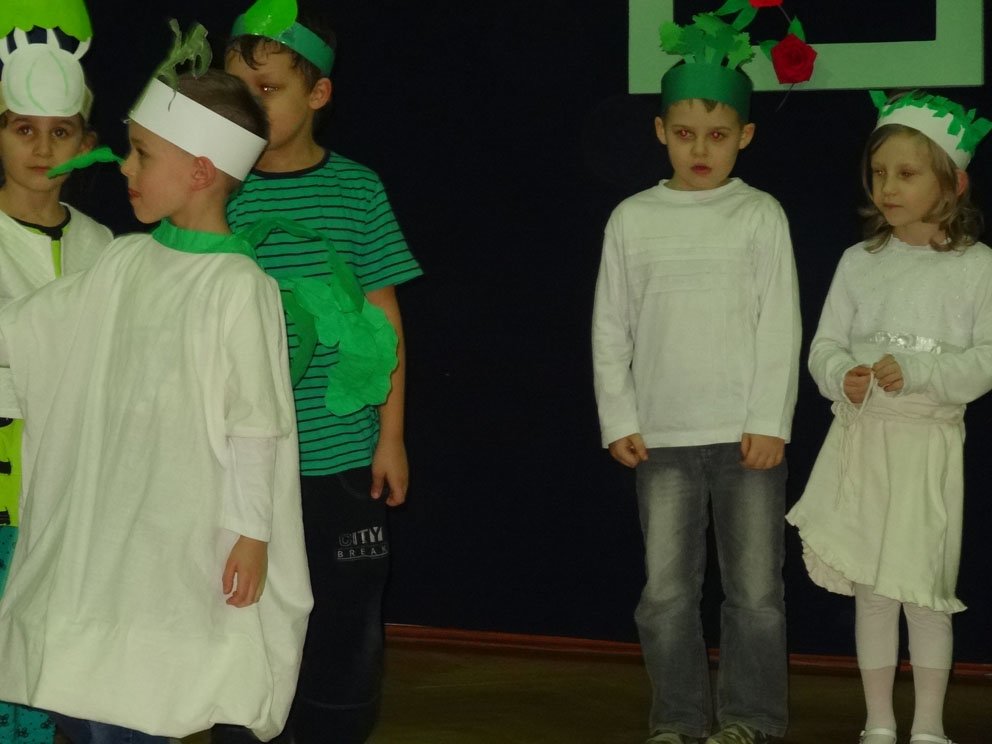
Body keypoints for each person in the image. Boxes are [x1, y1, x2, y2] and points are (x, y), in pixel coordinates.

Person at [0, 43, 314, 744]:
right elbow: (29, 331)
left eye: (142, 154)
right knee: (83, 688)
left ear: (200, 170)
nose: (124, 166)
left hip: (181, 534)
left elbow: (254, 424)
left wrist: (252, 535)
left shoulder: (238, 288)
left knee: (144, 693)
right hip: (105, 529)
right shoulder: (127, 260)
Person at [592, 10, 801, 744]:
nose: (701, 149)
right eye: (686, 133)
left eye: (718, 134)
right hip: (663, 437)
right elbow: (610, 327)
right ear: (661, 132)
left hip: (746, 439)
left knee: (756, 594)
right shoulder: (632, 218)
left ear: (745, 135)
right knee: (666, 595)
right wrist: (620, 418)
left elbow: (780, 325)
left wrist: (770, 422)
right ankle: (677, 721)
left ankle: (751, 720)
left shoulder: (760, 215)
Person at [219, 1, 422, 741]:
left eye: (269, 88)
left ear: (318, 93)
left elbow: (384, 321)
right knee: (242, 615)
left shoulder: (358, 190)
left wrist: (390, 437)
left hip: (338, 456)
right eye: (240, 91)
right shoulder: (220, 191)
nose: (251, 105)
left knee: (345, 614)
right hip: (242, 463)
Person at [786, 90, 992, 744]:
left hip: (926, 448)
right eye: (879, 173)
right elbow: (823, 346)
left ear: (952, 183)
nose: (888, 187)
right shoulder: (859, 262)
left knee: (923, 590)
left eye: (906, 173)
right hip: (863, 443)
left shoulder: (977, 267)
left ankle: (928, 726)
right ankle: (878, 721)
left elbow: (986, 360)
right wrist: (840, 376)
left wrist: (922, 371)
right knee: (873, 590)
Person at [0, 16, 111, 744]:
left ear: (87, 141)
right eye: (24, 130)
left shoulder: (102, 245)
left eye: (61, 132)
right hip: (6, 470)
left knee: (51, 645)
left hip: (74, 475)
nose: (42, 149)